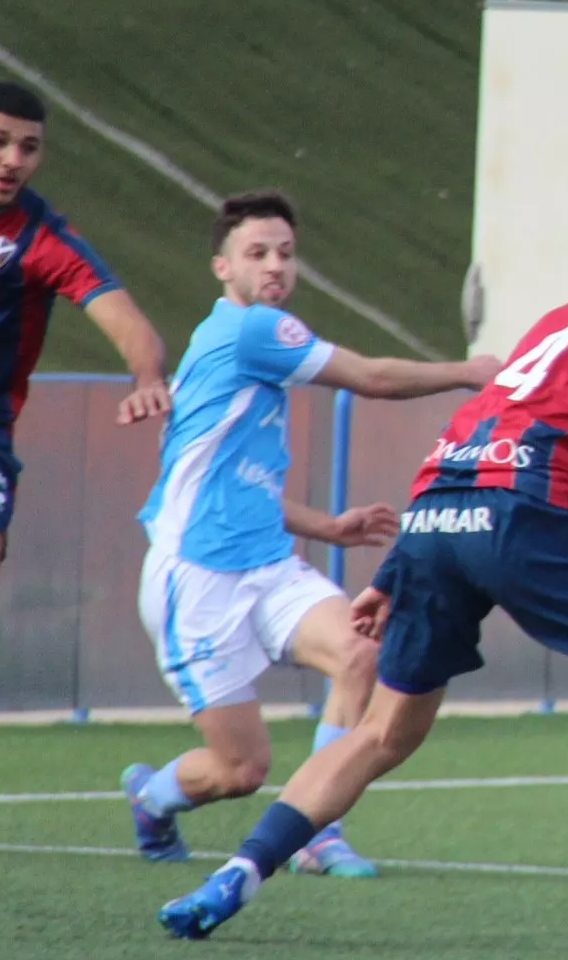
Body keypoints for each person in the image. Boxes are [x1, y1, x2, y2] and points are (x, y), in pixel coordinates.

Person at [156, 205, 568, 960]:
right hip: (528, 516)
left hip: (439, 516)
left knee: (384, 732)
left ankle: (239, 872)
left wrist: (400, 564)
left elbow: (474, 429)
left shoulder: (567, 320)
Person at [121, 191, 500, 877]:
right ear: (222, 267)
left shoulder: (240, 346)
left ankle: (319, 833)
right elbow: (371, 378)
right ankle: (153, 799)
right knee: (241, 770)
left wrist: (325, 526)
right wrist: (468, 373)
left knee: (361, 652)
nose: (275, 266)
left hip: (267, 566)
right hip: (196, 578)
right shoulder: (252, 331)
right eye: (257, 253)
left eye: (286, 254)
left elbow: (234, 484)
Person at [0, 81, 171, 837]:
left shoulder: (41, 238)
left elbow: (126, 320)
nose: (12, 159)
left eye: (29, 147)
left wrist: (147, 375)